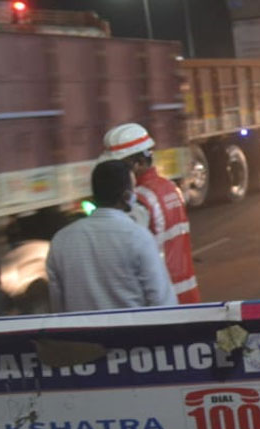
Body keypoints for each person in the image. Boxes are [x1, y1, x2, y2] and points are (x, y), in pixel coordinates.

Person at [46, 160, 177, 312]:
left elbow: (58, 307)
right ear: (126, 196)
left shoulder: (61, 240)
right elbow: (163, 303)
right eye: (133, 190)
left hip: (82, 335)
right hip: (131, 334)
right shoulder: (138, 237)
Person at [102, 122, 201, 303]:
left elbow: (131, 255)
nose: (116, 172)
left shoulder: (138, 200)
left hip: (162, 299)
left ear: (138, 163)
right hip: (188, 292)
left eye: (120, 166)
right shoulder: (171, 188)